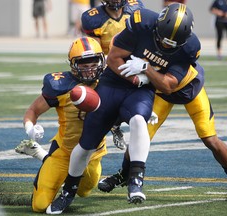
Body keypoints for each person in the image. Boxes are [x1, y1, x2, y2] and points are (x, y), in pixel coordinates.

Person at [97, 3, 227, 204]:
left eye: (173, 43)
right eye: (163, 39)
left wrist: (145, 68)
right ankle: (123, 175)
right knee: (140, 132)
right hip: (159, 91)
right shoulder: (143, 23)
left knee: (209, 138)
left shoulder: (190, 47)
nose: (166, 46)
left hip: (188, 90)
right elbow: (116, 49)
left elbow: (169, 84)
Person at [45, 6, 157, 216]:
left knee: (139, 121)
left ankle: (136, 179)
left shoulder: (175, 46)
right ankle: (68, 191)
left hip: (140, 89)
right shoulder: (122, 37)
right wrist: (140, 74)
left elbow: (168, 80)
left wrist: (147, 73)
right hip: (114, 83)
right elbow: (113, 60)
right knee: (87, 143)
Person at [17, 37, 107, 213]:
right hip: (64, 151)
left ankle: (40, 154)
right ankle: (45, 157)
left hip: (92, 154)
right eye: (83, 64)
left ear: (101, 61)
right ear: (73, 65)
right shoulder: (60, 85)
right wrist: (30, 128)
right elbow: (33, 111)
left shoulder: (109, 84)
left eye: (93, 63)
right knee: (39, 206)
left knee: (84, 191)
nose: (89, 69)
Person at [81, 0, 145, 150]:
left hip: (132, 64)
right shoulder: (94, 18)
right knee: (99, 105)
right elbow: (95, 50)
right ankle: (106, 128)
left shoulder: (135, 9)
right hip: (108, 66)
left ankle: (117, 123)